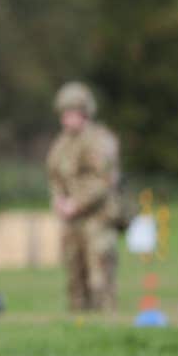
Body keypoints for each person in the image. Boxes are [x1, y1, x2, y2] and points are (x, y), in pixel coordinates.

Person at [46, 81, 122, 312]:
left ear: (85, 112)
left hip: (97, 220)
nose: (66, 119)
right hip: (71, 221)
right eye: (64, 113)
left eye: (72, 113)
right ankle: (79, 327)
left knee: (100, 279)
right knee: (74, 279)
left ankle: (107, 324)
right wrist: (58, 200)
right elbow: (55, 176)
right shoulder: (62, 144)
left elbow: (102, 180)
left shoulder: (99, 140)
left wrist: (76, 203)